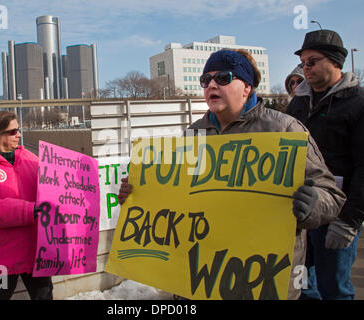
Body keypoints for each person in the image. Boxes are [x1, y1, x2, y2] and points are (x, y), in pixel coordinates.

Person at [119, 48, 346, 300]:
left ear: (246, 86)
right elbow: (177, 199)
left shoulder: (284, 130)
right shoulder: (193, 135)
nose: (211, 85)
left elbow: (332, 196)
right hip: (203, 277)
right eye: (206, 80)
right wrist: (139, 195)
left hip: (262, 281)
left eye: (223, 78)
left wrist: (313, 204)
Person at [286, 29, 364, 300]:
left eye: (312, 62)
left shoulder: (361, 105)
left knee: (334, 288)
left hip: (338, 215)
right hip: (301, 212)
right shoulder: (298, 106)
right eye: (303, 63)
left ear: (335, 62)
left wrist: (350, 220)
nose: (305, 68)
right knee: (303, 285)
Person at [0, 111, 53, 300]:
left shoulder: (32, 159)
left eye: (18, 130)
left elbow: (53, 190)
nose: (19, 135)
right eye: (13, 131)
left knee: (44, 297)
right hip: (1, 258)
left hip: (35, 253)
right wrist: (29, 210)